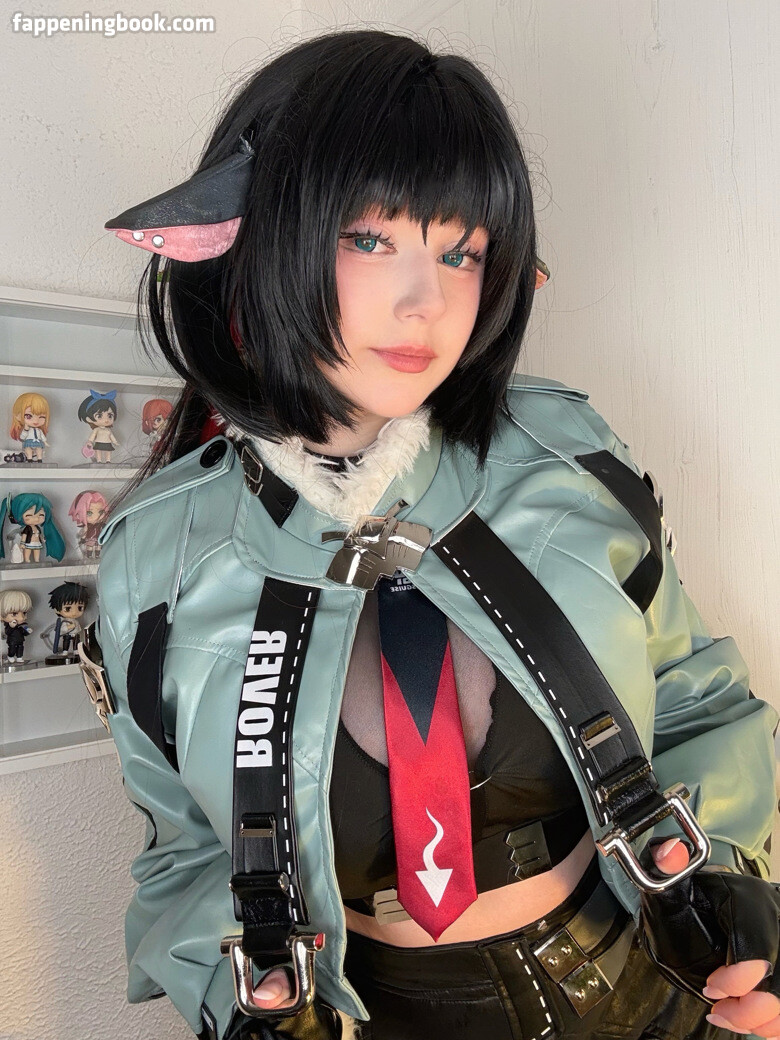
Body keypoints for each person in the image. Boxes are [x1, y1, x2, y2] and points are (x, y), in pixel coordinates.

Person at [86, 29, 779, 1040]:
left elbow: (694, 694)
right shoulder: (156, 558)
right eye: (370, 239)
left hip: (654, 993)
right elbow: (186, 850)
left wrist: (730, 874)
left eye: (461, 252)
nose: (428, 303)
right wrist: (241, 1005)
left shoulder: (567, 459)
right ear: (256, 232)